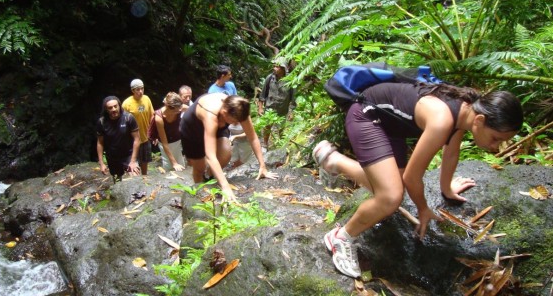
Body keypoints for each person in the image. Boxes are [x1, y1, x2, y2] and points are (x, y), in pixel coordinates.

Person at [313, 82, 523, 278]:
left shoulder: (466, 112)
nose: (496, 147)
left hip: (391, 125)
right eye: (496, 138)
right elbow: (412, 177)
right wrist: (423, 209)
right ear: (480, 120)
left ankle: (333, 161)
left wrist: (447, 188)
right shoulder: (443, 121)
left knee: (391, 191)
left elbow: (451, 151)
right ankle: (341, 237)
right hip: (366, 115)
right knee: (391, 197)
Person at [180, 93, 278, 201]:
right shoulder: (211, 114)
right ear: (224, 112)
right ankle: (200, 192)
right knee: (199, 167)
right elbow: (210, 156)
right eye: (234, 122)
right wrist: (225, 187)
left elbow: (253, 137)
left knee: (225, 154)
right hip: (192, 129)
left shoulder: (240, 109)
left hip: (218, 125)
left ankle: (210, 176)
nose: (236, 124)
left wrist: (262, 166)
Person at [96, 96, 141, 182]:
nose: (113, 109)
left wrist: (133, 161)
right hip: (112, 157)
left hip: (128, 154)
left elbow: (137, 139)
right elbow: (100, 143)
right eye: (110, 108)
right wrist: (101, 163)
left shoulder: (128, 118)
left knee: (135, 177)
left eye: (115, 106)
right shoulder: (102, 122)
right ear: (106, 109)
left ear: (119, 106)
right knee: (117, 181)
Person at [257, 58, 295, 147]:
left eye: (277, 67)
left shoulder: (290, 80)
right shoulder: (270, 78)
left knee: (281, 129)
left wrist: (291, 111)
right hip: (269, 109)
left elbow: (293, 98)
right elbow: (263, 95)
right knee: (267, 128)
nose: (274, 68)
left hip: (282, 110)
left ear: (283, 68)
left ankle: (281, 146)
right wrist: (260, 108)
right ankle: (265, 145)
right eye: (274, 66)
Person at [122, 79, 155, 175]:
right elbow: (123, 122)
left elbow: (152, 116)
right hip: (132, 140)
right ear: (133, 90)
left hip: (145, 138)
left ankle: (144, 179)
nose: (140, 91)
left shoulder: (147, 99)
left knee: (145, 162)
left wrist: (153, 133)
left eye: (142, 88)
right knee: (133, 165)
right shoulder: (126, 104)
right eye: (137, 89)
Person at [151, 92, 186, 172]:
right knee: (169, 166)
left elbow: (193, 109)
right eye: (176, 111)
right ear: (169, 108)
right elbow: (164, 143)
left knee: (181, 164)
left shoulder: (180, 107)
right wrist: (174, 163)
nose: (179, 112)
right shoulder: (159, 118)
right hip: (165, 144)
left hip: (177, 140)